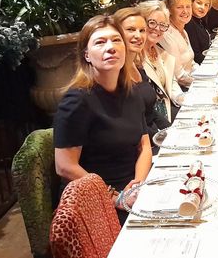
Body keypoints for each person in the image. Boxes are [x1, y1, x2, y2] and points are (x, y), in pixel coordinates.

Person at [53, 15, 153, 224]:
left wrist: (137, 186)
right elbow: (65, 166)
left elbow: (144, 145)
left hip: (132, 190)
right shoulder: (77, 100)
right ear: (87, 55)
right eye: (100, 42)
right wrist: (115, 197)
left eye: (116, 40)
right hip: (96, 200)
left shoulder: (131, 92)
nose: (111, 47)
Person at [114, 6, 172, 134]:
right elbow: (130, 125)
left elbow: (150, 113)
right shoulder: (114, 74)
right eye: (131, 29)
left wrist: (172, 131)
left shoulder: (137, 66)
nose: (138, 35)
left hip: (154, 133)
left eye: (142, 30)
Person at [137, 0, 185, 123]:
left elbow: (171, 83)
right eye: (152, 23)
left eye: (163, 25)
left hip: (167, 112)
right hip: (150, 121)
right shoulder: (135, 58)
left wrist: (182, 98)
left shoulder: (161, 53)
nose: (158, 29)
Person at [159, 0, 195, 89]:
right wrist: (202, 82)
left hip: (191, 81)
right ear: (170, 10)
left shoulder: (184, 31)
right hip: (181, 89)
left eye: (188, 6)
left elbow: (191, 64)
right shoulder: (167, 34)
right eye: (179, 7)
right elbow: (179, 77)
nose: (185, 11)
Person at [185, 0, 213, 64]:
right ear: (191, 3)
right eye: (199, 3)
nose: (202, 7)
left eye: (206, 5)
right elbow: (196, 56)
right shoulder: (189, 24)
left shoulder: (200, 20)